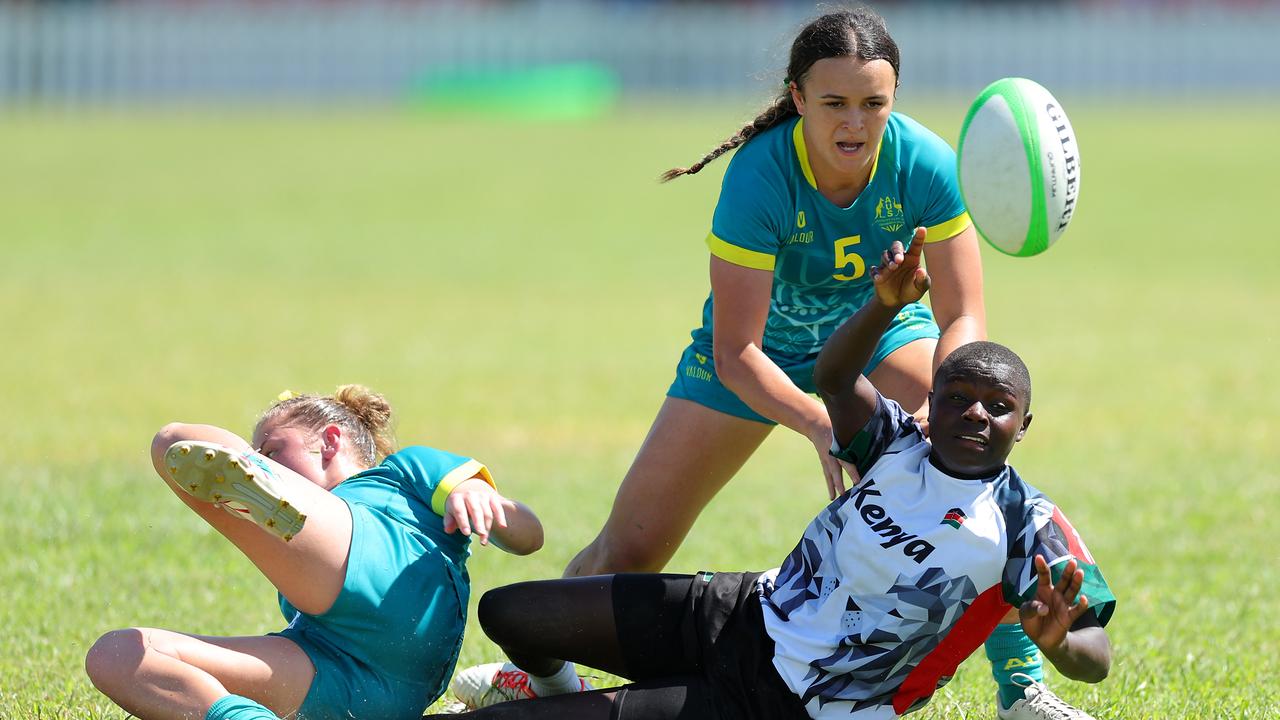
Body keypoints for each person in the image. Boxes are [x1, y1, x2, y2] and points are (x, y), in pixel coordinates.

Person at [459, 7, 1080, 718]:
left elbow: (963, 315)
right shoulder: (760, 176)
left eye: (874, 104)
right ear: (797, 99)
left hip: (876, 331)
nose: (855, 123)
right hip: (754, 353)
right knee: (627, 550)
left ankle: (1023, 689)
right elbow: (736, 352)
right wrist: (823, 426)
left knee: (975, 472)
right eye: (834, 104)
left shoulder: (926, 163)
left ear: (894, 100)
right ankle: (543, 674)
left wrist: (936, 399)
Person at [437, 239, 1114, 720]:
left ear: (1023, 426)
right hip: (737, 613)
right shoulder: (894, 443)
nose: (975, 413)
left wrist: (1063, 646)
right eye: (958, 395)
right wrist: (881, 306)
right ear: (930, 401)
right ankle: (555, 687)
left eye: (998, 407)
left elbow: (1096, 650)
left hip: (796, 701)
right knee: (510, 613)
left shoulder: (1028, 521)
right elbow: (833, 378)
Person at [84, 385, 544, 720]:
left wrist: (482, 498)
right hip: (351, 685)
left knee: (170, 442)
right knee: (118, 654)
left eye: (271, 451)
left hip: (395, 588)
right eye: (257, 459)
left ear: (330, 440)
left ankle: (253, 484)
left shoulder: (402, 472)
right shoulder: (302, 568)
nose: (266, 459)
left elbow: (529, 536)